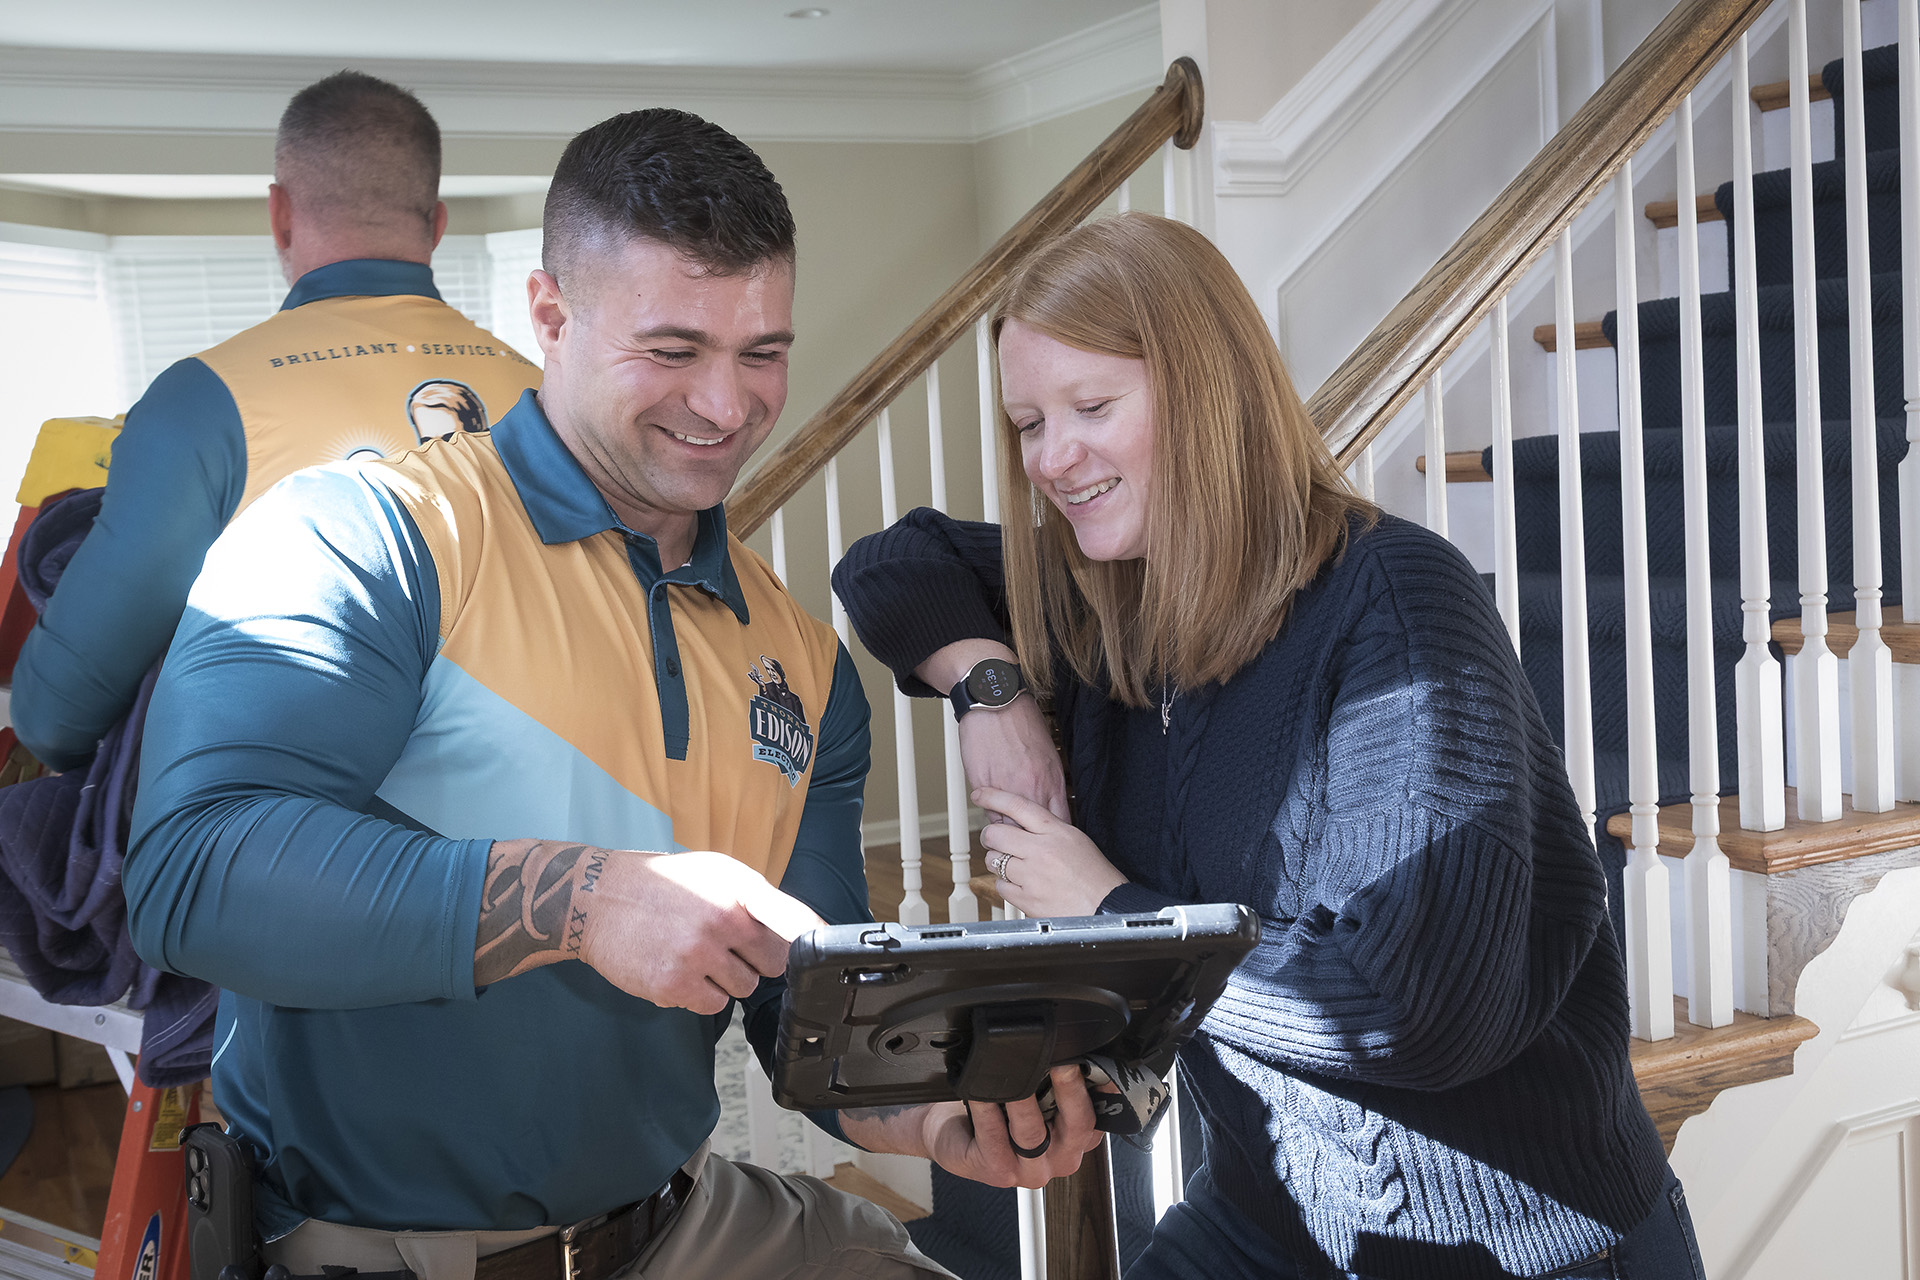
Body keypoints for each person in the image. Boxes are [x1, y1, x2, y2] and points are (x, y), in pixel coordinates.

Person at [124, 108, 1100, 1278]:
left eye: (763, 352)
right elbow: (191, 871)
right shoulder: (365, 537)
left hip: (681, 1222)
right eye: (674, 349)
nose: (728, 405)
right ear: (549, 314)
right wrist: (582, 900)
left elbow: (805, 1009)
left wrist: (932, 1112)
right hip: (381, 1252)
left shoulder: (803, 661)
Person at [832, 213, 1706, 1280]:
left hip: (1513, 1240)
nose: (1053, 459)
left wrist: (1111, 911)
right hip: (1268, 1207)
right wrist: (990, 691)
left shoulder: (1392, 607)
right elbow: (890, 563)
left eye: (1093, 408)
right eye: (1028, 422)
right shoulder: (1106, 598)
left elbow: (1409, 1009)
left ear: (1206, 393)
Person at [10, 70, 540, 772]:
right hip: (543, 806)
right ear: (438, 224)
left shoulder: (201, 400)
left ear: (281, 215)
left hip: (303, 821)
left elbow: (55, 715)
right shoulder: (546, 392)